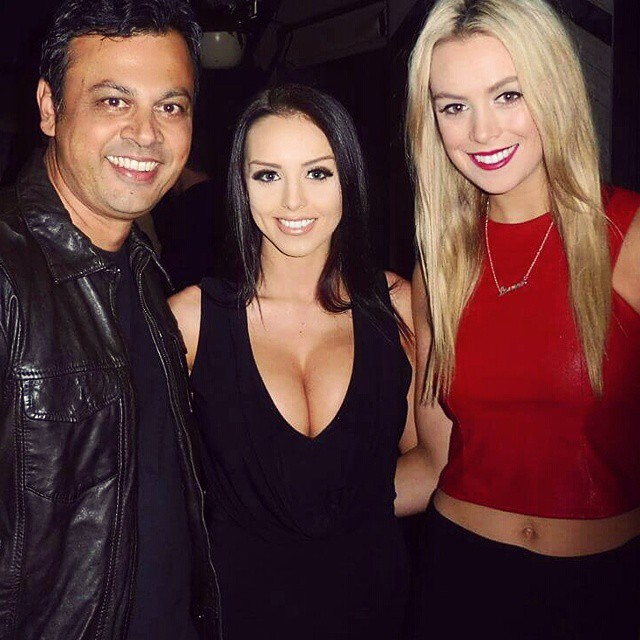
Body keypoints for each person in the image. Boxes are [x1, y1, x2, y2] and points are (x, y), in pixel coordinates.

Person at [396, 0, 640, 637]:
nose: (482, 132)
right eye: (454, 106)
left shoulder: (629, 236)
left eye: (508, 95)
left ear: (553, 89)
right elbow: (432, 462)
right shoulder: (439, 267)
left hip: (603, 590)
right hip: (459, 579)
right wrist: (294, 511)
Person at [0, 1, 221, 638]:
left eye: (170, 106)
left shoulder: (144, 271)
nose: (146, 134)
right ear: (49, 107)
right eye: (113, 101)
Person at [170, 83, 415, 639]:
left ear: (348, 177)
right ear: (241, 185)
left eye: (318, 172)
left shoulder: (398, 305)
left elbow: (434, 463)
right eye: (268, 175)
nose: (294, 201)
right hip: (239, 611)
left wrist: (349, 503)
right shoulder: (190, 320)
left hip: (374, 603)